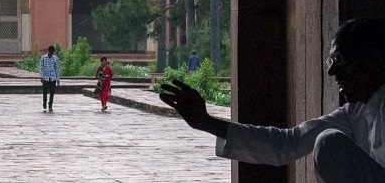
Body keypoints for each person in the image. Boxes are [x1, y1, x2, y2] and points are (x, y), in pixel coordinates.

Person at [161, 17, 385, 182]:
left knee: (329, 143)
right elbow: (288, 142)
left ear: (374, 62)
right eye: (330, 62)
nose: (332, 72)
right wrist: (207, 123)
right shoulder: (356, 112)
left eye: (340, 60)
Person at [38, 45, 61, 112]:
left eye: (52, 52)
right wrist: (41, 76)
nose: (51, 53)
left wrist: (58, 79)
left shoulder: (55, 59)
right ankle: (44, 102)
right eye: (50, 52)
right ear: (48, 51)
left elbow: (57, 69)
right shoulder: (43, 58)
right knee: (45, 91)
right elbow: (41, 67)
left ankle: (50, 105)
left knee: (52, 92)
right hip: (45, 78)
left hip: (53, 77)